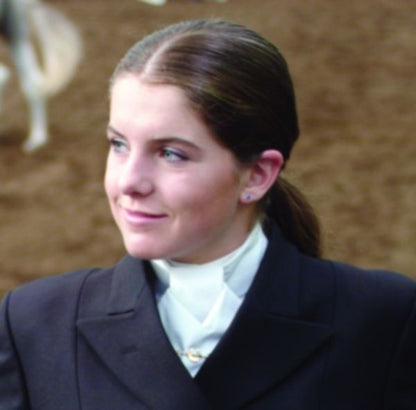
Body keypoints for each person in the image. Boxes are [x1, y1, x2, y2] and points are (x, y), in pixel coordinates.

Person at [0, 18, 415, 410]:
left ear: (257, 175)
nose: (128, 182)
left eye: (170, 153)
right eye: (118, 144)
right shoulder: (31, 325)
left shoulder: (384, 322)